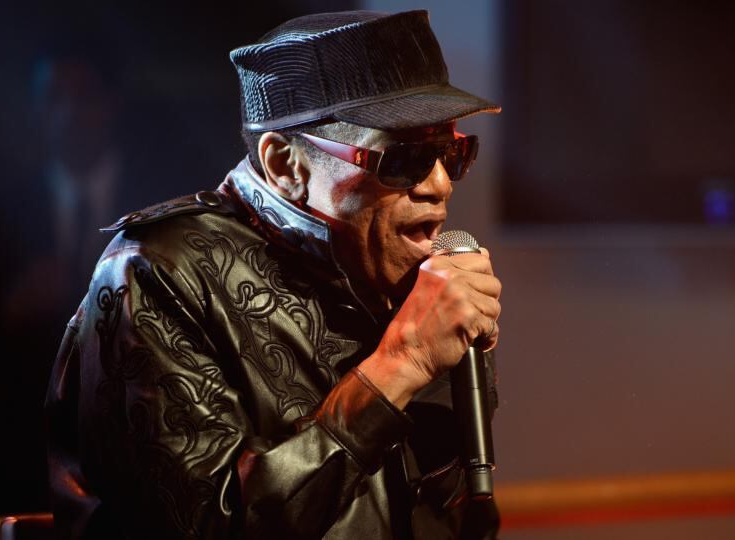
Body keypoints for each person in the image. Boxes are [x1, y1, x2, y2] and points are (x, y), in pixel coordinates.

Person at [45, 10, 503, 539]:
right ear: (286, 164)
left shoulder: (409, 277)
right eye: (405, 158)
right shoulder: (159, 273)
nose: (440, 185)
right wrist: (402, 363)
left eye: (452, 151)